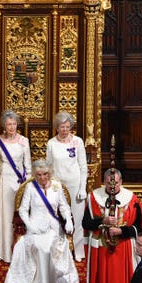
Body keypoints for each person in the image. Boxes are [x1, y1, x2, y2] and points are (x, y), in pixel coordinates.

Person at [4, 160, 78, 283]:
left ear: (50, 173)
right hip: (35, 227)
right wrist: (30, 225)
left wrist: (68, 221)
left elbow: (64, 207)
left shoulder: (57, 186)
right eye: (39, 175)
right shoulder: (30, 187)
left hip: (54, 227)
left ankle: (54, 280)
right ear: (35, 175)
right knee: (38, 246)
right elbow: (23, 210)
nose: (42, 177)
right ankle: (37, 280)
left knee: (54, 246)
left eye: (45, 174)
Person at [83, 167, 142, 283]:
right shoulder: (94, 197)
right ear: (104, 183)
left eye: (116, 183)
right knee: (102, 282)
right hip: (101, 250)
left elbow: (140, 227)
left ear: (121, 182)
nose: (113, 187)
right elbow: (86, 223)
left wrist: (121, 231)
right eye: (109, 183)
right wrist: (103, 221)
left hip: (123, 249)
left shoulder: (131, 199)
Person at [0, 110, 32, 262]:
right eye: (8, 124)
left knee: (15, 214)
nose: (12, 127)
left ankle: (15, 249)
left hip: (17, 183)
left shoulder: (24, 141)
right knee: (0, 215)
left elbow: (28, 167)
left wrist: (28, 189)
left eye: (14, 124)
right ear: (4, 126)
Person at [46, 111, 87, 262]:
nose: (65, 130)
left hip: (75, 184)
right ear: (57, 127)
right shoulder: (51, 143)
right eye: (62, 127)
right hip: (57, 186)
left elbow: (83, 166)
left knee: (77, 218)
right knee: (57, 219)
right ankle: (58, 251)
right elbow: (48, 167)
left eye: (67, 127)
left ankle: (78, 251)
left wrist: (82, 187)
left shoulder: (78, 141)